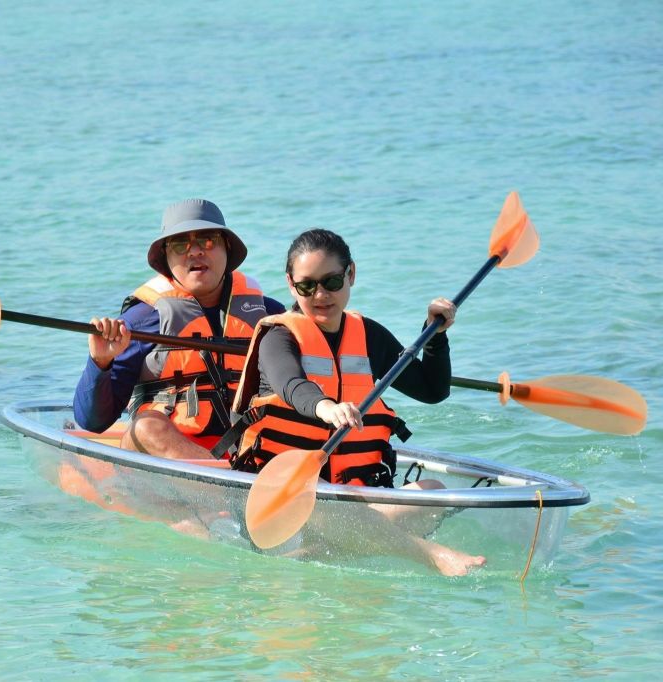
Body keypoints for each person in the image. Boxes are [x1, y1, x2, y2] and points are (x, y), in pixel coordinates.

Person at [229, 228, 486, 576]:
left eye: (332, 281)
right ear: (291, 285)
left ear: (351, 274)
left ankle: (330, 550)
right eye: (307, 286)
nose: (320, 294)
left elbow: (432, 390)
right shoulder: (279, 337)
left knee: (432, 491)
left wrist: (435, 336)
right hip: (285, 502)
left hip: (353, 500)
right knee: (322, 507)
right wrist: (327, 407)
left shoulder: (367, 335)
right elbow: (292, 385)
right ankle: (430, 555)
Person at [73, 199, 285, 460]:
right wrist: (100, 362)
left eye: (207, 240)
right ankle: (227, 489)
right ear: (166, 257)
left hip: (251, 451)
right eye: (181, 244)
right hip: (171, 457)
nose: (195, 252)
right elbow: (92, 422)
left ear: (227, 248)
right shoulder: (140, 321)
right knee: (146, 427)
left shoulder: (270, 315)